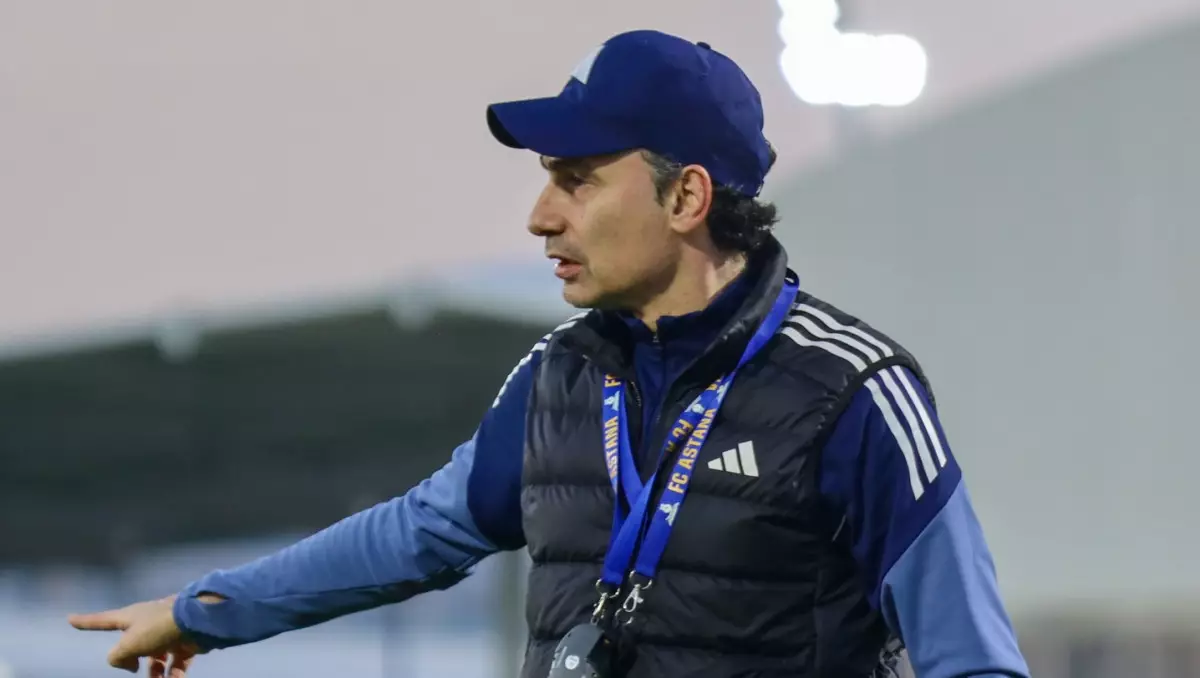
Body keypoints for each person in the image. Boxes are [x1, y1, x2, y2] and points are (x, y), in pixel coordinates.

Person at [69, 29, 1030, 678]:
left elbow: (974, 661)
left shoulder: (852, 391)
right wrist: (206, 611)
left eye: (576, 180)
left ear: (687, 198)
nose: (540, 216)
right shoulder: (560, 375)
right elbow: (414, 535)